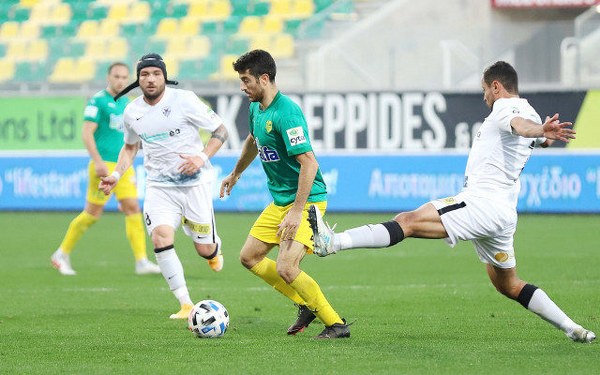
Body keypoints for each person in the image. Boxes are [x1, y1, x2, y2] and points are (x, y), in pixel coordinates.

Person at [309, 61, 596, 343]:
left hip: (482, 202)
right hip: (503, 212)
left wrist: (537, 131)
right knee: (508, 284)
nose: (484, 97)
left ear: (496, 87)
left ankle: (333, 242)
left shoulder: (505, 108)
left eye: (485, 90)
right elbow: (533, 133)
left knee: (406, 221)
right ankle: (573, 328)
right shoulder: (529, 109)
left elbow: (520, 126)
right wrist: (544, 134)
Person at [219, 49, 349, 339]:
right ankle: (304, 303)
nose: (242, 87)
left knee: (287, 267)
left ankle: (335, 324)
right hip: (281, 201)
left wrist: (296, 211)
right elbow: (253, 141)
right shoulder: (256, 108)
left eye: (245, 80)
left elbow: (309, 163)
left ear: (264, 79)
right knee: (249, 257)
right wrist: (236, 173)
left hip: (307, 201)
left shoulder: (287, 113)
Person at [99, 53, 229, 319]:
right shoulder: (132, 111)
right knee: (160, 237)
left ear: (164, 77)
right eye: (145, 74)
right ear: (138, 79)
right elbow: (130, 146)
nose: (150, 79)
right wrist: (116, 174)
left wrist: (201, 157)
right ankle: (185, 303)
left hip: (195, 184)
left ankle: (214, 249)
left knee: (204, 249)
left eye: (156, 73)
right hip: (159, 186)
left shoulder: (185, 100)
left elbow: (221, 131)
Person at [51, 62, 160, 276]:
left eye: (124, 77)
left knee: (132, 208)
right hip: (102, 165)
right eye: (116, 76)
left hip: (122, 166)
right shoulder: (98, 101)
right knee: (92, 214)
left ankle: (141, 260)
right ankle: (61, 253)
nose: (120, 80)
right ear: (108, 77)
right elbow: (86, 133)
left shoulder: (128, 104)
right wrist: (98, 161)